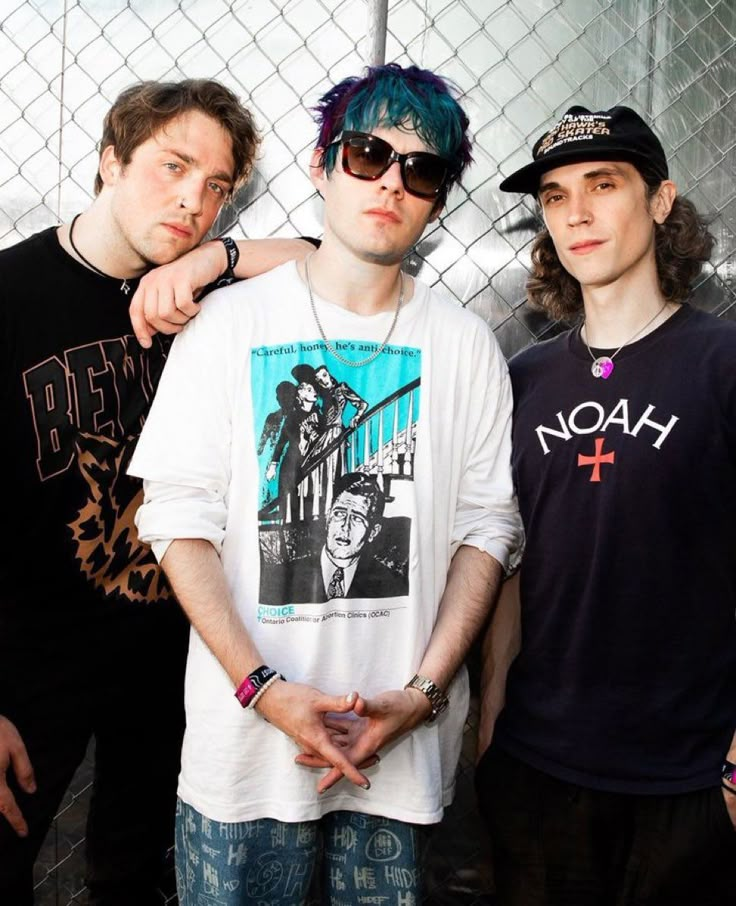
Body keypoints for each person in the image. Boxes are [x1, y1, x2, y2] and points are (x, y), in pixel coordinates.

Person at [129, 63, 521, 905]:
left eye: (420, 170)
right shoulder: (227, 328)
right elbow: (176, 520)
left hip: (400, 760)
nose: (390, 182)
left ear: (439, 199)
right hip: (245, 763)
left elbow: (486, 531)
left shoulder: (465, 346)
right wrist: (262, 691)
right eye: (367, 154)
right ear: (322, 163)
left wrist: (418, 699)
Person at [0, 78, 314, 905]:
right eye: (173, 166)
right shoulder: (13, 295)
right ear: (110, 160)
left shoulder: (216, 294)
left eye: (217, 187)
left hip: (173, 652)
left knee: (136, 877)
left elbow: (340, 260)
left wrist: (224, 257)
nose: (192, 200)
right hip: (31, 656)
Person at [475, 105, 736, 905]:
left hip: (689, 778)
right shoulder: (521, 379)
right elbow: (514, 558)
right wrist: (489, 721)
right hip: (536, 768)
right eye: (555, 196)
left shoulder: (722, 364)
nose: (577, 213)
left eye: (603, 184)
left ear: (661, 201)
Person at [261, 470, 407, 604]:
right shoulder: (280, 579)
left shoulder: (393, 585)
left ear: (373, 532)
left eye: (357, 518)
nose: (345, 526)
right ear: (328, 518)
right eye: (339, 514)